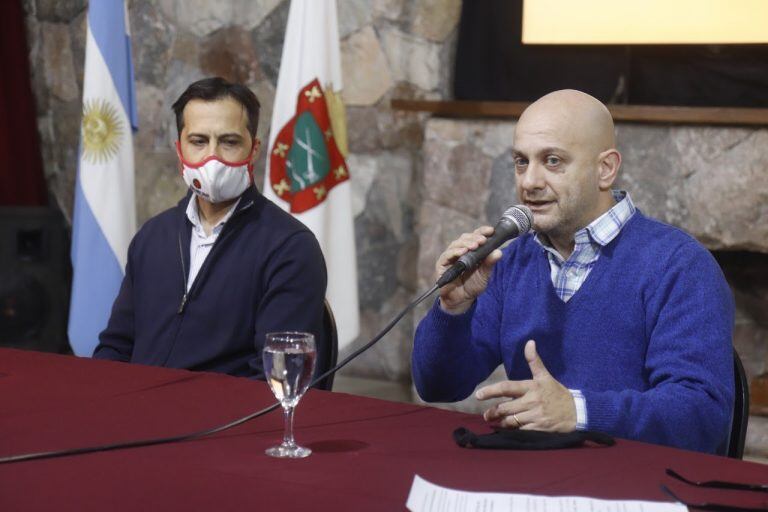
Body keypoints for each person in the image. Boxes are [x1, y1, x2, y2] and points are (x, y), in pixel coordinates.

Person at [412, 89, 735, 454]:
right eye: (521, 161)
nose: (529, 182)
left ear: (605, 169)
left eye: (552, 161)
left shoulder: (680, 265)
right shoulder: (509, 261)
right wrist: (452, 310)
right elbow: (438, 386)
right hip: (529, 473)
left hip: (635, 487)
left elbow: (703, 415)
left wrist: (578, 411)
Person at [94, 77, 328, 379]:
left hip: (223, 422)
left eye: (229, 142)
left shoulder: (290, 248)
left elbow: (276, 376)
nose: (212, 157)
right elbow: (115, 346)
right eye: (199, 141)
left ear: (254, 149)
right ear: (180, 149)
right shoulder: (152, 237)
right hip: (133, 415)